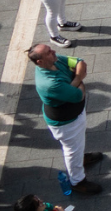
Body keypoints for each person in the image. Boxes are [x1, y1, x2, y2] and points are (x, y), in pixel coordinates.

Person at [27, 44, 104, 194]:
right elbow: (78, 95)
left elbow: (80, 62)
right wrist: (79, 79)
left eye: (50, 49)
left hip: (74, 114)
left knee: (78, 145)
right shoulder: (50, 84)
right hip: (66, 123)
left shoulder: (55, 60)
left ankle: (80, 158)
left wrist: (75, 82)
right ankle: (77, 181)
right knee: (72, 150)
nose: (54, 52)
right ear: (39, 62)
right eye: (48, 52)